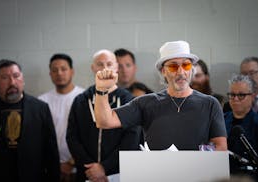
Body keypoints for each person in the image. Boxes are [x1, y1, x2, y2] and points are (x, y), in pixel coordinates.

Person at [94, 40, 227, 151]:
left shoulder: (210, 103)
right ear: (163, 71)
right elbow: (104, 121)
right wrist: (101, 90)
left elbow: (220, 147)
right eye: (174, 67)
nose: (181, 72)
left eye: (186, 65)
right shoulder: (146, 103)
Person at [66, 50, 142, 182]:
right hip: (87, 172)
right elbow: (72, 137)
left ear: (116, 67)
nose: (105, 68)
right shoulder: (81, 100)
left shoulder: (129, 100)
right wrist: (91, 168)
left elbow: (132, 138)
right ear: (93, 68)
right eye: (100, 64)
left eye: (109, 64)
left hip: (118, 173)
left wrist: (104, 167)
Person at [0, 59, 60, 182]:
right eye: (5, 77)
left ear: (23, 79)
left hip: (33, 177)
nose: (12, 82)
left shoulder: (40, 108)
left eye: (16, 76)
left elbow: (51, 150)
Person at [38, 53, 84, 182]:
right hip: (51, 168)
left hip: (80, 168)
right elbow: (40, 137)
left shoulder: (84, 98)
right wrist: (55, 164)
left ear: (72, 71)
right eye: (54, 70)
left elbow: (88, 135)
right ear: (50, 74)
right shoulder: (41, 102)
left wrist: (71, 162)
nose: (59, 73)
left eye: (63, 69)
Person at [224, 74, 258, 180]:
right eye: (232, 95)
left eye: (241, 95)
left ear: (253, 96)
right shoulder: (220, 120)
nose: (235, 99)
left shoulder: (256, 122)